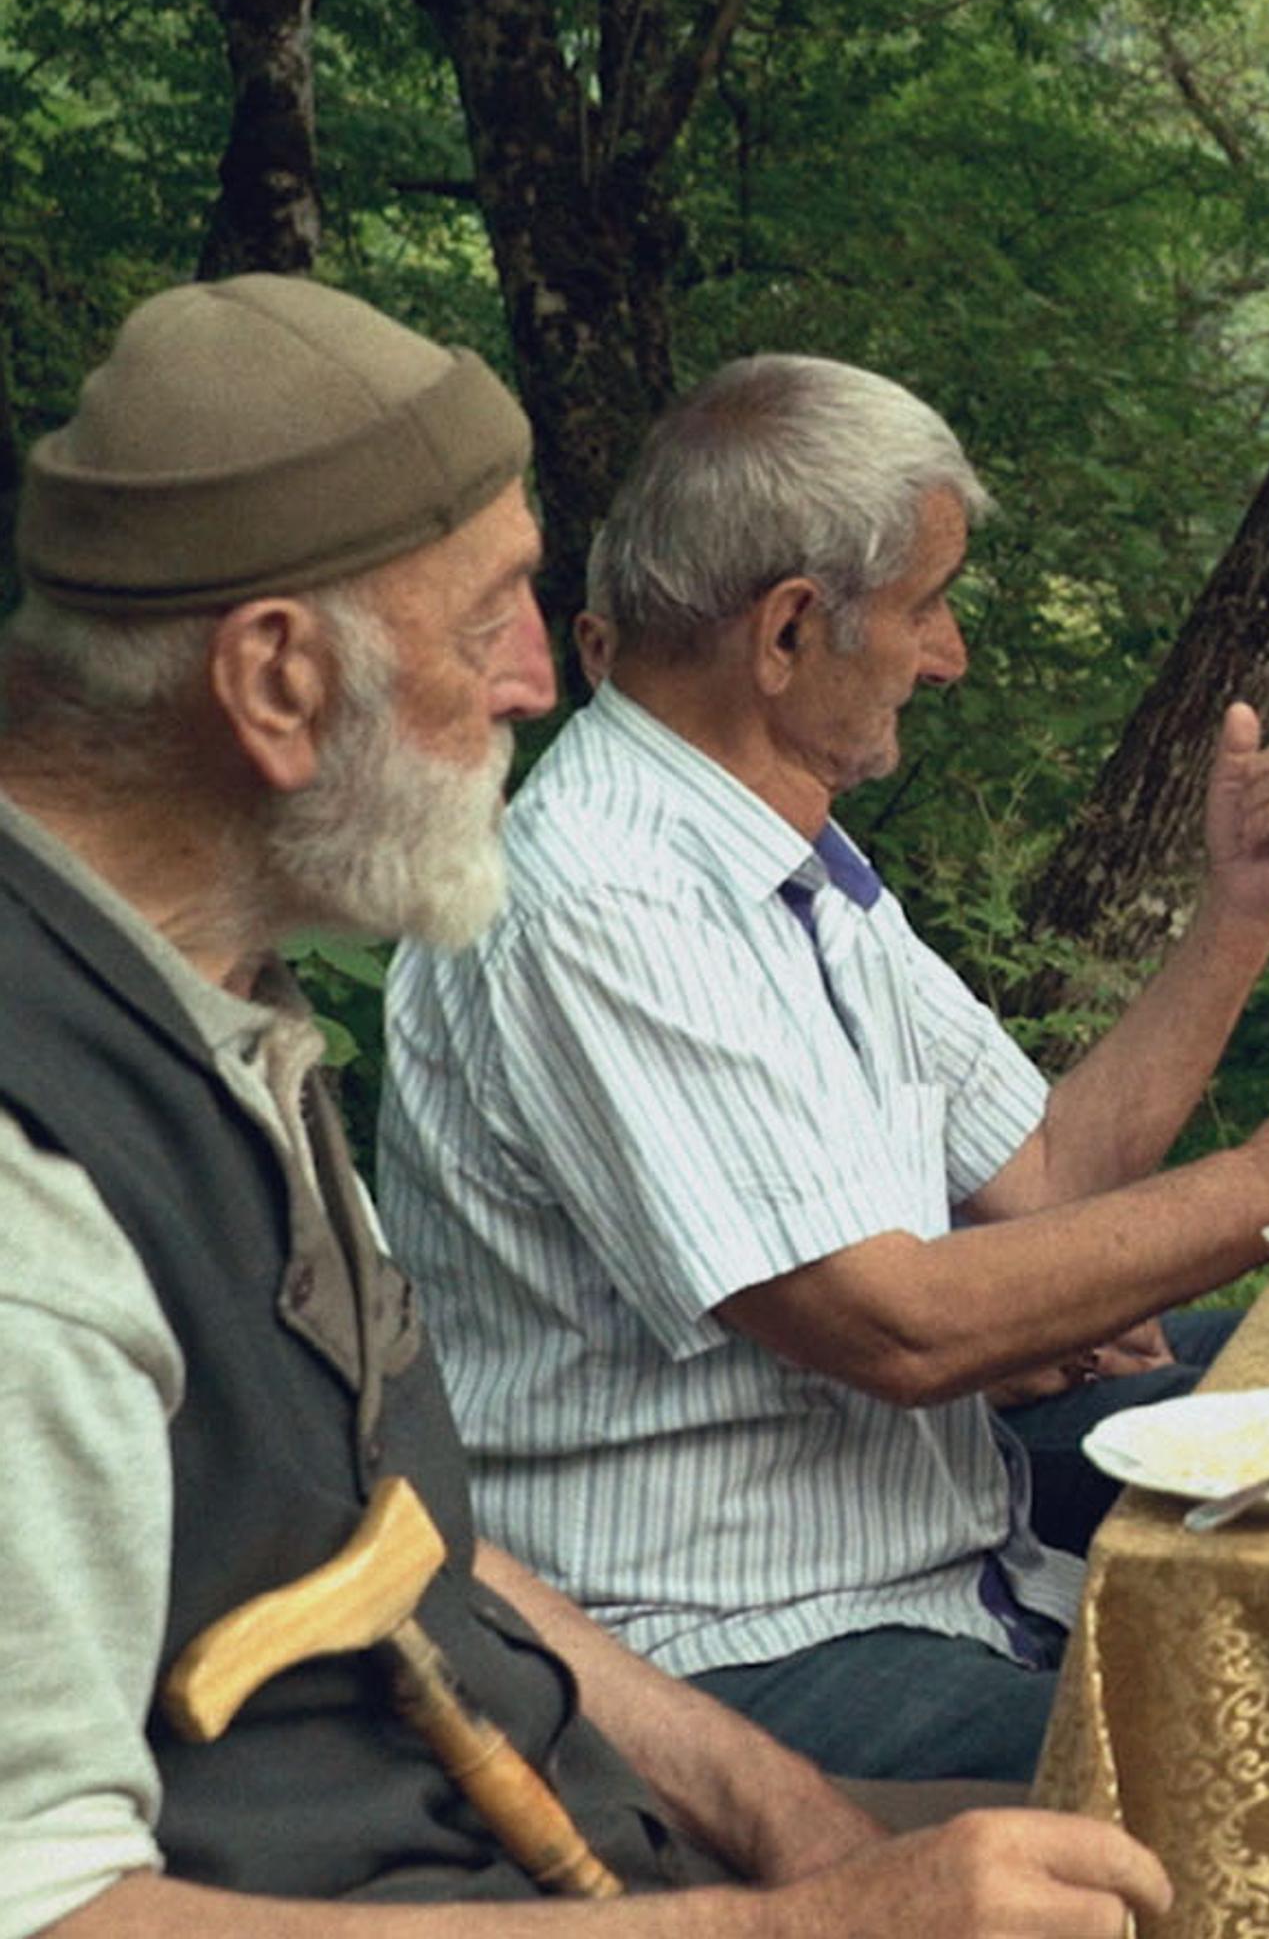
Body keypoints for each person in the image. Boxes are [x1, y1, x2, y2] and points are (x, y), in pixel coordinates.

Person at [0, 278, 1164, 1930]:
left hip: (579, 1831)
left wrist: (792, 1816)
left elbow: (412, 1546)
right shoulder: (34, 1174)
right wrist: (798, 1926)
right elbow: (46, 1909)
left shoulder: (199, 1013)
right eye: (485, 627)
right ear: (274, 683)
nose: (544, 685)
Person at [382, 354, 1269, 1786]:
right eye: (926, 606)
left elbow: (1049, 1182)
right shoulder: (599, 899)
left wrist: (1245, 906)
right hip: (723, 1649)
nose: (951, 653)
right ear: (788, 630)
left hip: (932, 1555)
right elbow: (899, 1329)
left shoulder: (787, 857)